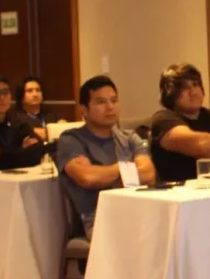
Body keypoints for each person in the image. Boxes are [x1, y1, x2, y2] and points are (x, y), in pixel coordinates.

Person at [56, 75, 155, 240]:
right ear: (84, 110)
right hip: (100, 218)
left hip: (138, 210)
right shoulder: (71, 139)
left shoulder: (129, 137)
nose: (110, 107)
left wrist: (103, 175)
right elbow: (87, 177)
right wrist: (128, 168)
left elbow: (148, 175)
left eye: (114, 100)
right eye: (101, 102)